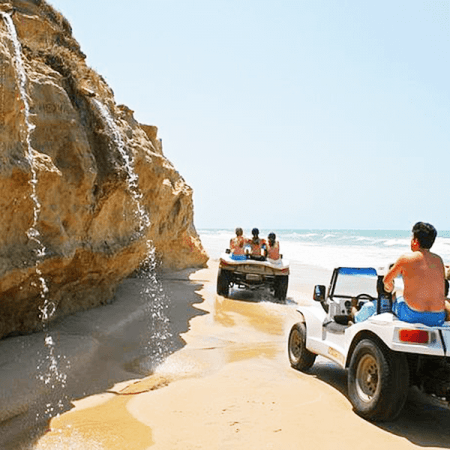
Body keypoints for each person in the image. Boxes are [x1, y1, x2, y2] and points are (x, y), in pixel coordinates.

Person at [353, 222, 447, 326]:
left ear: (415, 241)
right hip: (437, 317)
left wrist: (389, 288)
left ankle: (356, 317)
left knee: (397, 293)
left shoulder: (406, 259)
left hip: (412, 315)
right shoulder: (439, 260)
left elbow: (386, 281)